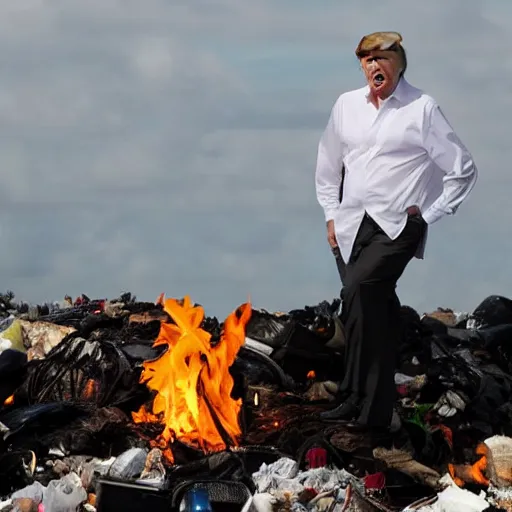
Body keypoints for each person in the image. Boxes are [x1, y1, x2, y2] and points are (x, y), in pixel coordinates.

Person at [315, 31, 477, 432]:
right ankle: (363, 403)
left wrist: (431, 214)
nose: (374, 65)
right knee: (369, 311)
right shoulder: (346, 106)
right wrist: (330, 215)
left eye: (382, 58)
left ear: (399, 63)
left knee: (359, 291)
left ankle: (363, 407)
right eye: (367, 59)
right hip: (352, 224)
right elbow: (328, 164)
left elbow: (462, 168)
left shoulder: (422, 108)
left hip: (397, 225)